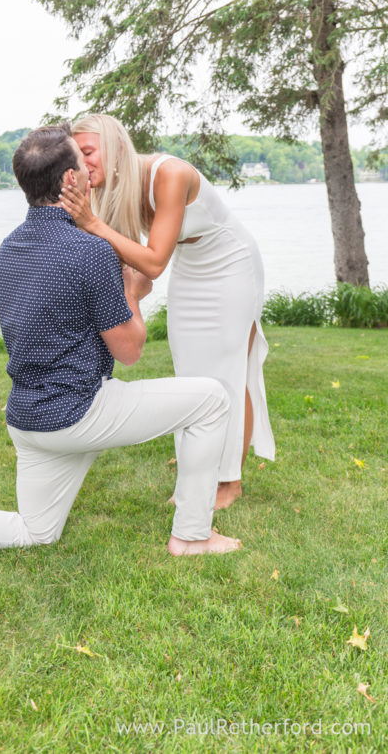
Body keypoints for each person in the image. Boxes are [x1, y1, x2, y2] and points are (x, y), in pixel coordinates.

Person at [0, 124, 240, 580]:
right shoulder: (91, 251)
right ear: (72, 181)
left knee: (36, 530)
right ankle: (191, 535)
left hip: (27, 419)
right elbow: (129, 351)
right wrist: (134, 291)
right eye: (82, 162)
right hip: (78, 413)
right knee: (211, 398)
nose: (91, 168)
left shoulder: (8, 249)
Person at [60, 114, 275, 510]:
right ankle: (202, 453)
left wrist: (90, 221)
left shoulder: (170, 174)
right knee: (191, 369)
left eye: (88, 152)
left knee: (230, 370)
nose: (82, 163)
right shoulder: (113, 187)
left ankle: (229, 480)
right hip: (191, 265)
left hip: (230, 264)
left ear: (118, 147)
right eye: (76, 156)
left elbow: (154, 263)